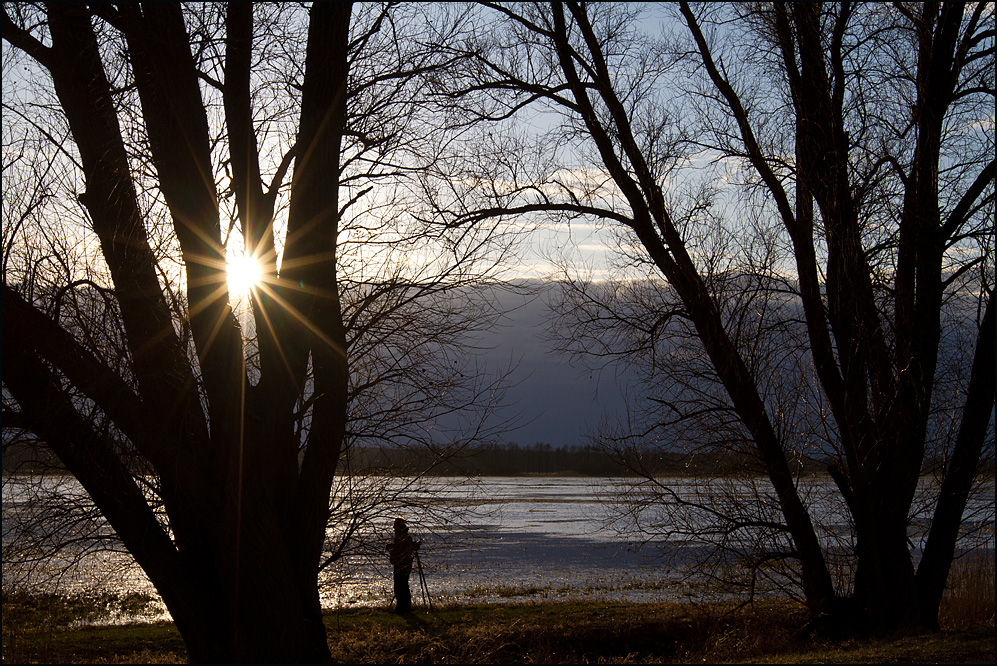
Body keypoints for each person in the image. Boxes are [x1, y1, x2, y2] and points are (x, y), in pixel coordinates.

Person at [387, 517, 420, 613]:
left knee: (401, 586)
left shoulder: (402, 536)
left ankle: (403, 608)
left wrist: (391, 549)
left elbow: (401, 550)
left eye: (395, 526)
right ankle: (403, 607)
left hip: (402, 564)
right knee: (401, 586)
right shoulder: (403, 536)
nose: (394, 528)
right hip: (401, 563)